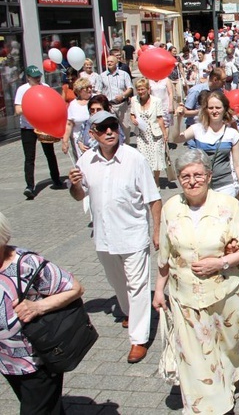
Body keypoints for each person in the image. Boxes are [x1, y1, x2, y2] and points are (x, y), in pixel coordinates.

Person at [153, 149, 239, 414]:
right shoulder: (171, 208)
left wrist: (221, 262)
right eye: (185, 176)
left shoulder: (228, 205)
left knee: (229, 349)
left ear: (209, 176)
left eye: (198, 174)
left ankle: (228, 384)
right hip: (185, 296)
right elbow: (165, 255)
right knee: (196, 358)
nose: (192, 181)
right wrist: (158, 291)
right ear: (178, 179)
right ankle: (213, 407)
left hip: (226, 292)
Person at [69, 111, 162, 363]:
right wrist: (75, 184)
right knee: (118, 285)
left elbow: (153, 198)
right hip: (104, 238)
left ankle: (138, 339)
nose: (109, 131)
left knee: (137, 286)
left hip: (133, 235)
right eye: (102, 128)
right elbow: (79, 196)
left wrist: (156, 231)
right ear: (93, 134)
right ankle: (131, 313)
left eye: (113, 126)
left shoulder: (134, 159)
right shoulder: (86, 161)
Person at [0, 211, 84, 415]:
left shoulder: (26, 263)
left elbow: (75, 288)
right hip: (7, 361)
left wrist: (38, 307)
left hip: (37, 360)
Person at [175, 91, 239, 205]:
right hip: (202, 185)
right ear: (206, 109)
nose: (214, 111)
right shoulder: (197, 129)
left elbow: (237, 164)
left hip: (226, 185)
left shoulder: (232, 134)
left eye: (218, 107)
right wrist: (178, 119)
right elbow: (176, 139)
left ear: (224, 109)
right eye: (211, 108)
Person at [14, 65, 64, 199]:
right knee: (29, 157)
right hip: (28, 127)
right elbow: (18, 110)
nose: (37, 79)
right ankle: (29, 186)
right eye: (34, 77)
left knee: (50, 154)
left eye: (39, 77)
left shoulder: (45, 87)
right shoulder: (22, 90)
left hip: (43, 126)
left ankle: (56, 179)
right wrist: (32, 106)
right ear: (28, 78)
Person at [130, 78, 167, 184]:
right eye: (138, 90)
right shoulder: (134, 100)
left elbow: (160, 118)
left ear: (148, 89)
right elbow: (132, 114)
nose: (140, 92)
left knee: (156, 158)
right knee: (143, 158)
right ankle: (147, 181)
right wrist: (133, 120)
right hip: (141, 134)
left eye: (142, 89)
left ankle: (156, 181)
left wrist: (165, 134)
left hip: (154, 133)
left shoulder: (156, 101)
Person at [97, 55, 133, 144]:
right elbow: (98, 91)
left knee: (126, 127)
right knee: (111, 128)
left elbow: (130, 88)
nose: (109, 63)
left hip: (122, 105)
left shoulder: (124, 74)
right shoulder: (102, 76)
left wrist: (123, 95)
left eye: (111, 62)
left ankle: (126, 145)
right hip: (109, 106)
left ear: (116, 63)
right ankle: (115, 146)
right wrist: (103, 101)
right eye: (108, 62)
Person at [61, 78, 94, 159]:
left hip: (96, 138)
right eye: (86, 88)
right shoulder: (73, 105)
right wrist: (65, 142)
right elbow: (69, 124)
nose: (89, 90)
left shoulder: (96, 99)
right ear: (79, 91)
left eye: (90, 87)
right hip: (79, 140)